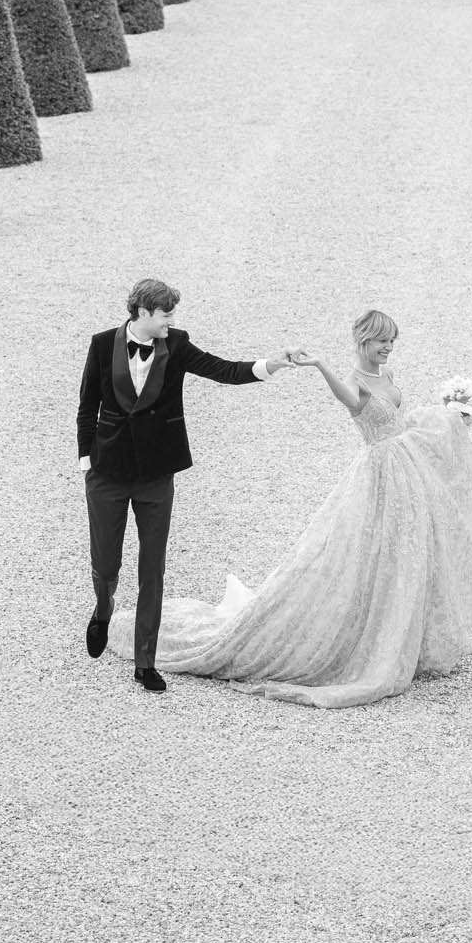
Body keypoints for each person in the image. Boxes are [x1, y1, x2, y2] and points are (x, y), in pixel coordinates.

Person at [107, 309, 472, 708]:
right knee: (363, 555)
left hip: (404, 470)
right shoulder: (355, 382)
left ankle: (404, 633)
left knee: (404, 554)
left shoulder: (386, 377)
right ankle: (371, 639)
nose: (388, 347)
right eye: (381, 341)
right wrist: (320, 365)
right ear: (362, 341)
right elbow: (351, 400)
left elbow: (400, 423)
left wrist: (450, 418)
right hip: (380, 477)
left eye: (392, 341)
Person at [77, 277, 295, 693]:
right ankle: (103, 609)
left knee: (152, 568)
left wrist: (270, 364)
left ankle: (145, 662)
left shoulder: (176, 345)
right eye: (165, 314)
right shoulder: (102, 344)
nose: (171, 321)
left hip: (157, 475)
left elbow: (223, 370)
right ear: (142, 313)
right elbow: (88, 405)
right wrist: (88, 458)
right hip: (106, 475)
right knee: (106, 564)